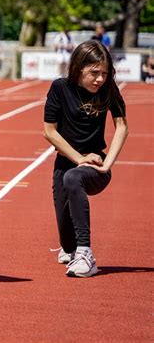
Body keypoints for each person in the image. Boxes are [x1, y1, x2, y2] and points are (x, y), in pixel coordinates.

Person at [43, 40, 128, 278]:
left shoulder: (108, 89)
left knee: (73, 177)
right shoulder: (60, 88)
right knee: (65, 242)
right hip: (67, 160)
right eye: (94, 73)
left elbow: (121, 126)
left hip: (96, 166)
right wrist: (79, 157)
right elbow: (50, 131)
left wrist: (108, 163)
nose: (100, 79)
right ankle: (71, 249)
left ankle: (86, 254)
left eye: (104, 73)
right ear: (79, 68)